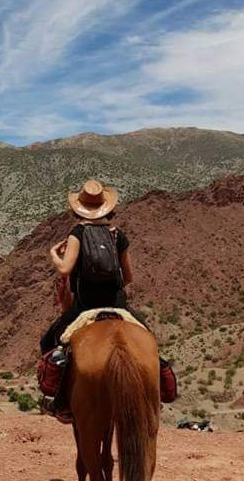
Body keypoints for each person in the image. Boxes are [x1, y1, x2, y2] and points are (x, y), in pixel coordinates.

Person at [39, 179, 176, 419]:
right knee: (148, 340)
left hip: (85, 306)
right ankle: (157, 391)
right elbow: (129, 277)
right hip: (117, 303)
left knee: (49, 342)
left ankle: (57, 400)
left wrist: (53, 255)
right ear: (106, 206)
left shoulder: (78, 232)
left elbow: (64, 269)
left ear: (78, 208)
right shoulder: (118, 235)